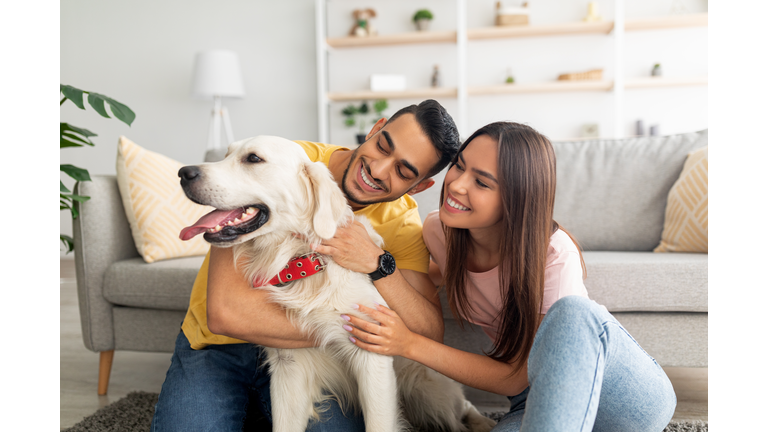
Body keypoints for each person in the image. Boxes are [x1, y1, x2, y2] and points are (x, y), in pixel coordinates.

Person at [340, 121, 678, 431]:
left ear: (516, 198)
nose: (456, 185)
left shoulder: (554, 254)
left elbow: (516, 376)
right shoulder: (439, 232)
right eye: (459, 165)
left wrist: (409, 343)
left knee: (574, 313)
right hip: (531, 403)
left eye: (482, 182)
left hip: (620, 401)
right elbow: (414, 282)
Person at [150, 99, 461, 431]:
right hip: (219, 345)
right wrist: (355, 331)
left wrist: (377, 263)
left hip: (316, 356)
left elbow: (427, 332)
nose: (379, 169)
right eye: (383, 145)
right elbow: (226, 315)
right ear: (375, 129)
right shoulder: (284, 159)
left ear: (419, 187)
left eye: (403, 171)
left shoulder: (401, 223)